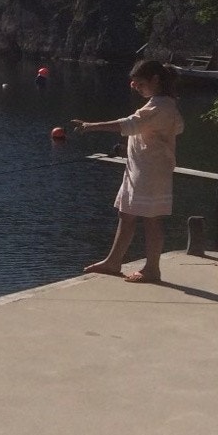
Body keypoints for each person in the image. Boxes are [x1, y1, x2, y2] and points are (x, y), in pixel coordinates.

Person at [71, 59, 184, 283]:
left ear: (155, 80)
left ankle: (152, 269)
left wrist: (91, 126)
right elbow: (174, 128)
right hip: (140, 167)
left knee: (152, 219)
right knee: (126, 213)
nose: (137, 88)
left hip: (151, 171)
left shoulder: (159, 106)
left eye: (141, 84)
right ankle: (114, 261)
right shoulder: (163, 104)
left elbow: (128, 124)